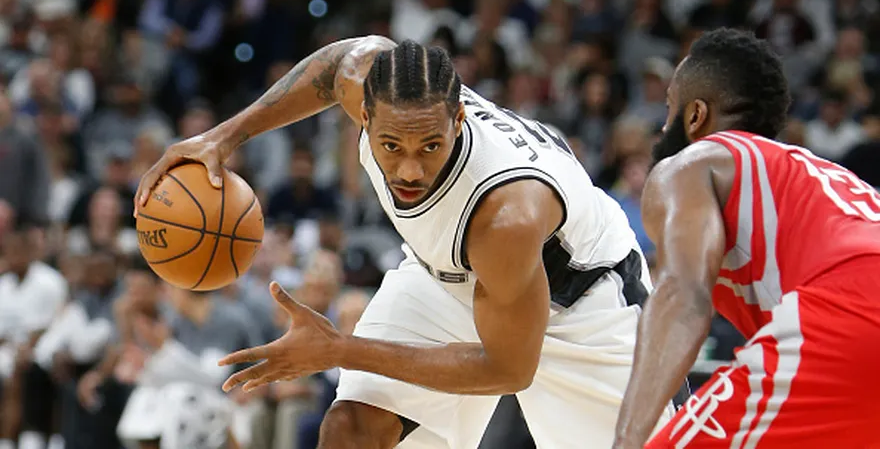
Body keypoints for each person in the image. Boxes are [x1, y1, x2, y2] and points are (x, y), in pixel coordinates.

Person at [136, 36, 681, 447]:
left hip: (581, 304)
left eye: (431, 146)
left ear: (459, 118)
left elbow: (511, 369)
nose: (410, 168)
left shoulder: (506, 215)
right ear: (363, 114)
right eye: (390, 145)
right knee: (350, 430)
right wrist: (220, 137)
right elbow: (333, 68)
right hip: (450, 275)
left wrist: (338, 349)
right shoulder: (367, 82)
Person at [612, 28, 880, 448]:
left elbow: (682, 296)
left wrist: (627, 441)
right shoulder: (819, 177)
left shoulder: (693, 163)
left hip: (851, 310)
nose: (662, 128)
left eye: (669, 109)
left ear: (695, 115)